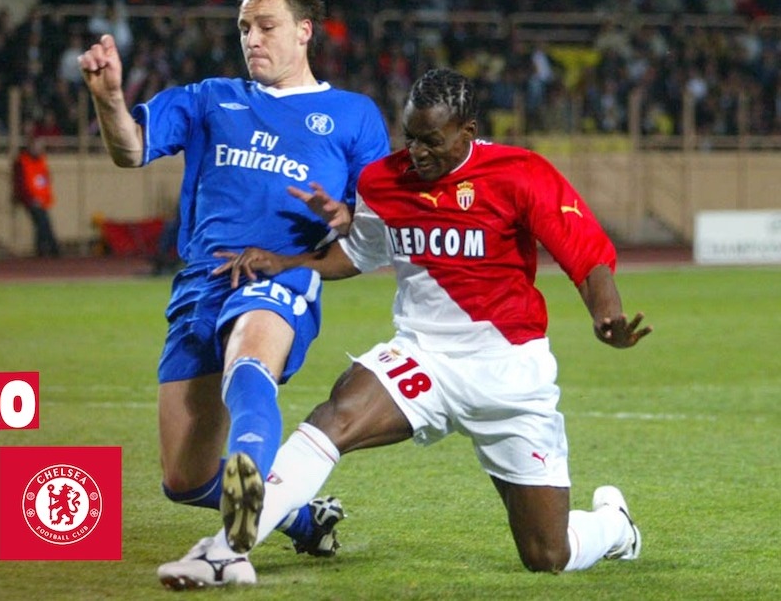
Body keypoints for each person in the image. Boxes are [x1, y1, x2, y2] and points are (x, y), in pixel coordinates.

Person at [160, 67, 652, 587]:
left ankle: (613, 526)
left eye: (431, 141)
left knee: (547, 553)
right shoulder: (383, 181)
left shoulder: (520, 172)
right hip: (423, 356)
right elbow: (358, 253)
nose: (416, 152)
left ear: (467, 130)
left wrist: (607, 314)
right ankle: (227, 550)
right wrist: (287, 262)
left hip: (507, 371)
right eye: (410, 137)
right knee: (335, 417)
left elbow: (586, 254)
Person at [78, 0, 390, 582]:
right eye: (245, 27)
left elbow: (378, 233)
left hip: (279, 274)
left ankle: (233, 540)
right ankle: (300, 517)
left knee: (249, 362)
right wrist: (109, 97)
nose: (252, 39)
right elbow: (130, 148)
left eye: (266, 26)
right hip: (200, 283)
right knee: (184, 478)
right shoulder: (209, 99)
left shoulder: (353, 116)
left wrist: (346, 215)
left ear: (304, 31)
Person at [12, 127, 60, 257]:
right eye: (37, 146)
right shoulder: (22, 161)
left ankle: (48, 248)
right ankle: (49, 249)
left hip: (42, 199)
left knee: (43, 223)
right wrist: (29, 198)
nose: (39, 149)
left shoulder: (41, 160)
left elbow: (45, 179)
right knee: (42, 223)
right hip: (31, 199)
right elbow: (21, 183)